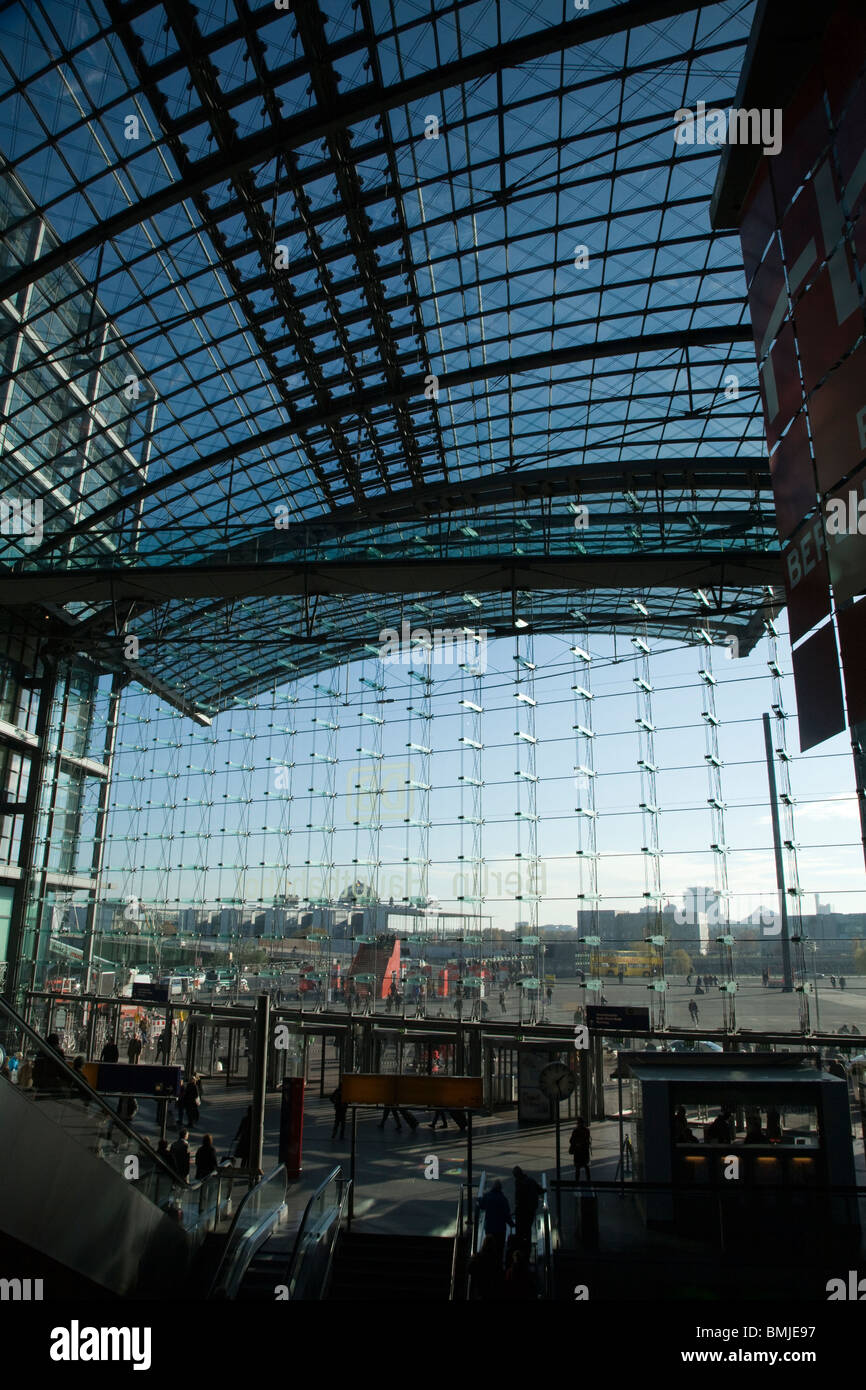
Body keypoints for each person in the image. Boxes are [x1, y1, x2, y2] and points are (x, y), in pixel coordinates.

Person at [478, 1179, 513, 1266]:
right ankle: (498, 1266)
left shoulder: (488, 1196)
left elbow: (481, 1205)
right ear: (500, 1188)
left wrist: (479, 1199)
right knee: (499, 1249)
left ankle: (489, 1264)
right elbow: (506, 1215)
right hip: (500, 1229)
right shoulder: (503, 1199)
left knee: (489, 1246)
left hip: (490, 1227)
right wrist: (511, 1224)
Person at [512, 1166, 544, 1247]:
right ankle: (527, 1247)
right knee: (527, 1229)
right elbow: (540, 1190)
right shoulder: (531, 1180)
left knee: (520, 1231)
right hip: (530, 1210)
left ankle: (520, 1247)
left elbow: (518, 1197)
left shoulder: (518, 1182)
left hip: (521, 1211)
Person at [468, 1236, 506, 1301]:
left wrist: (472, 1259)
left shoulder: (478, 1257)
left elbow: (470, 1270)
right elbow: (500, 1275)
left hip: (478, 1289)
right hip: (491, 1290)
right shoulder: (496, 1259)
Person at [568, 1117, 592, 1182]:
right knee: (586, 1166)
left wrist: (577, 1144)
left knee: (577, 1167)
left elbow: (571, 1141)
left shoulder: (575, 1131)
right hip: (584, 1152)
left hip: (577, 1152)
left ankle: (577, 1181)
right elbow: (587, 1140)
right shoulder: (587, 1130)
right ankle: (588, 1180)